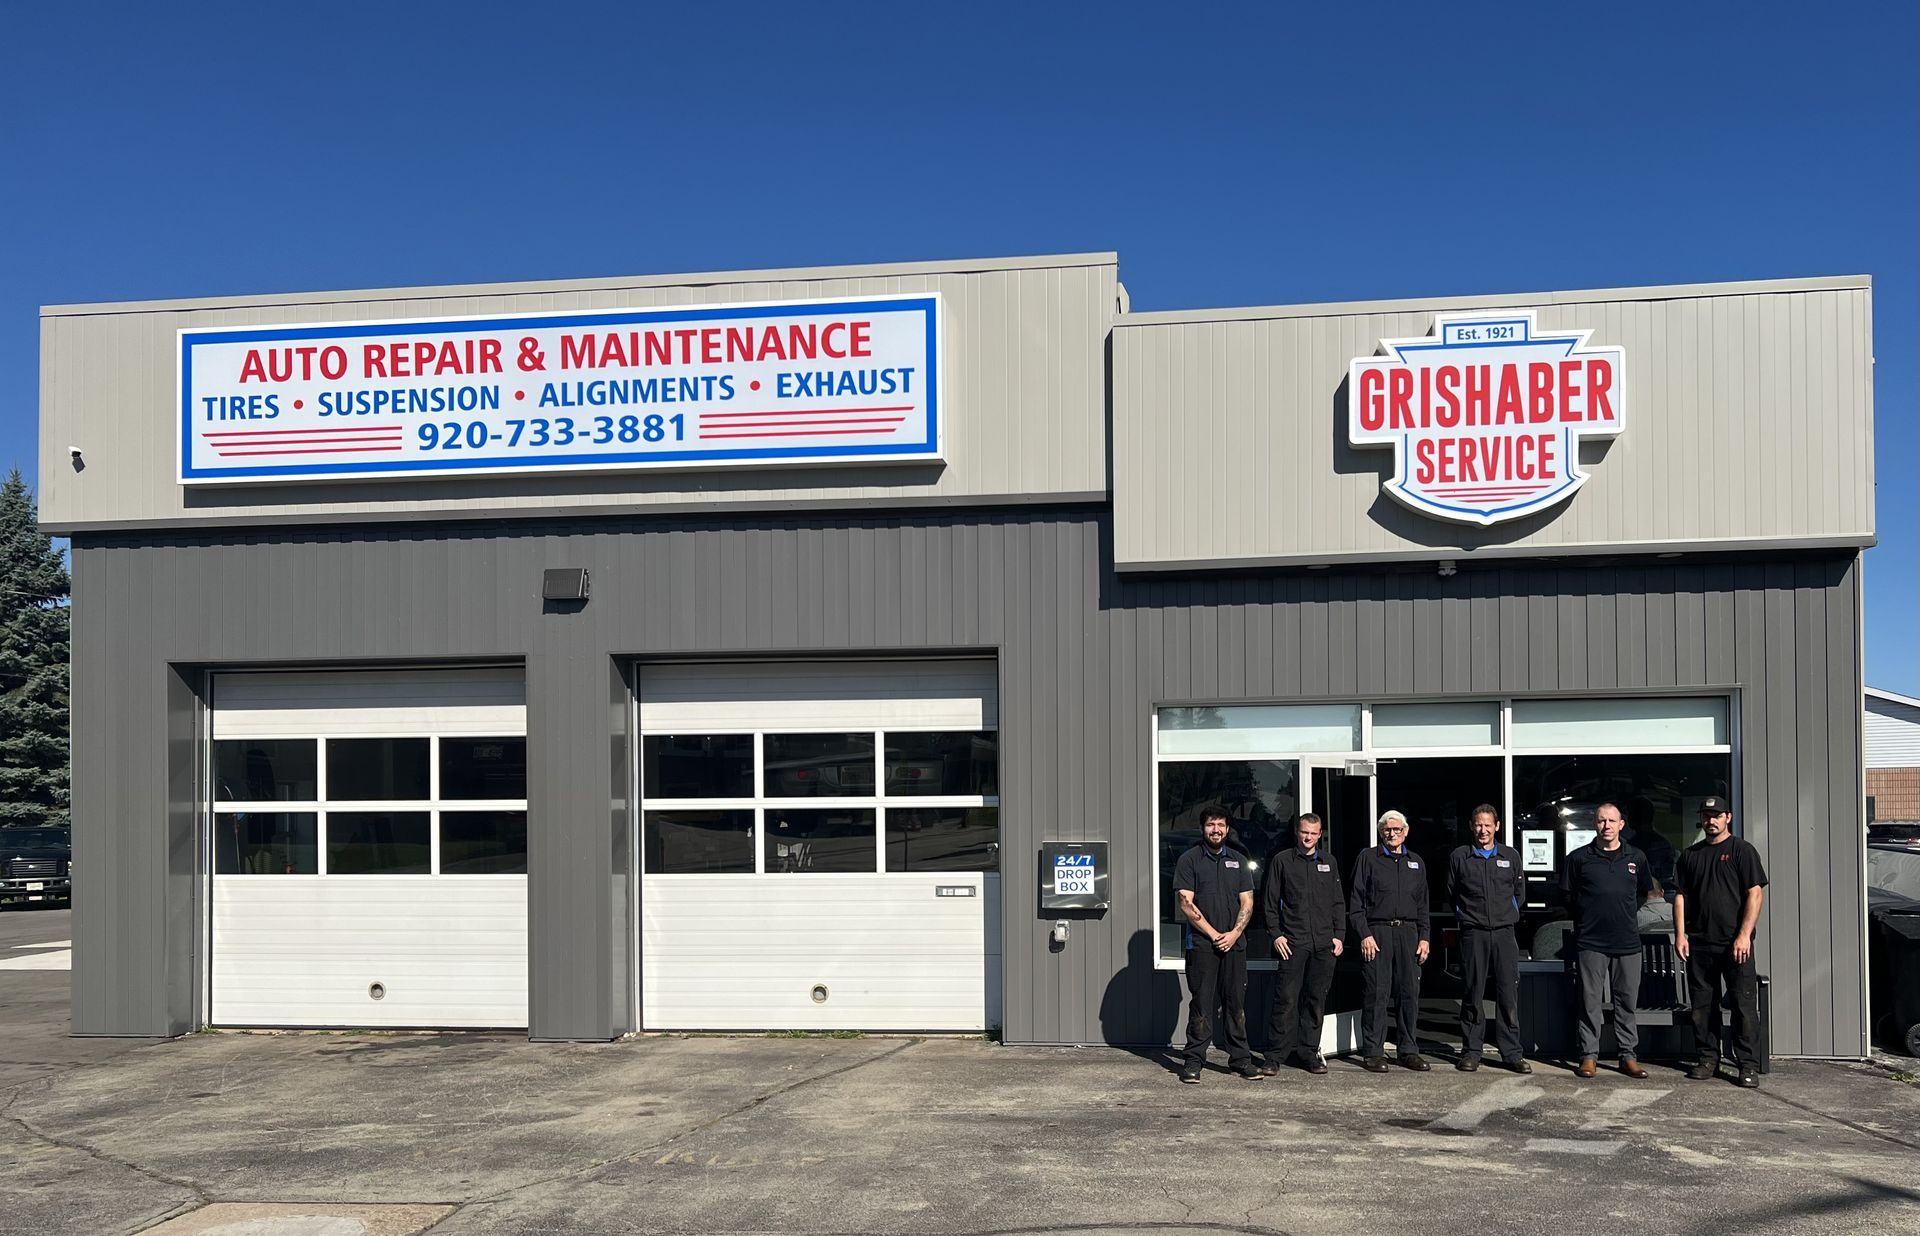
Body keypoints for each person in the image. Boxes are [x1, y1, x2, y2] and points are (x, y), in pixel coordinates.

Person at [1674, 796, 1768, 1087]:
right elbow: (1680, 896)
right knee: (1702, 1007)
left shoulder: (1742, 851)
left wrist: (1743, 935)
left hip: (1735, 945)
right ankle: (1707, 1058)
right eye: (1706, 815)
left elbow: (1755, 893)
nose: (1711, 821)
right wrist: (1680, 935)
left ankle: (1747, 1065)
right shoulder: (1691, 855)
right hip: (1700, 944)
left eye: (1716, 815)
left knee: (1743, 1006)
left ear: (1729, 817)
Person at [1561, 801, 1655, 1079]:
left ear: (1621, 824)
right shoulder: (1579, 858)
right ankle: (1589, 1056)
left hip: (1627, 942)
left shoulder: (1636, 857)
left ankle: (1628, 1056)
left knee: (1626, 1001)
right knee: (1589, 1001)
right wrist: (1588, 916)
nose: (1607, 826)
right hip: (1591, 942)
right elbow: (1567, 896)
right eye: (1602, 821)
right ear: (1594, 824)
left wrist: (1622, 914)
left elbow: (1642, 894)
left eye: (1612, 821)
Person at [1172, 809, 1261, 1083]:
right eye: (1211, 825)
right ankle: (1194, 1060)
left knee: (1236, 1004)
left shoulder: (1238, 860)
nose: (1216, 830)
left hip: (1234, 944)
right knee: (1201, 1004)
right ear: (1203, 828)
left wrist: (1233, 934)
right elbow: (1186, 903)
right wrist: (1214, 934)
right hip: (1202, 945)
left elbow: (1247, 902)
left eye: (1221, 825)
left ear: (1227, 829)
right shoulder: (1189, 860)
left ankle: (1240, 1060)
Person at [1259, 812, 1345, 1075]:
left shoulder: (1328, 862)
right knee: (1285, 999)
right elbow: (1270, 903)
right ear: (1297, 833)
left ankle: (1309, 1053)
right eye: (1304, 832)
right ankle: (1275, 1056)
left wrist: (1339, 935)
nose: (1308, 837)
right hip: (1293, 943)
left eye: (1313, 833)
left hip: (1323, 944)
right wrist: (1276, 934)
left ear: (1320, 835)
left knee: (1315, 1000)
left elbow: (1338, 903)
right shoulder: (1282, 861)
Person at [1447, 804, 1530, 1074]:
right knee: (1473, 993)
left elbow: (1519, 892)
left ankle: (1511, 1053)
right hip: (1474, 933)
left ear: (1497, 827)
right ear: (1471, 826)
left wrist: (1509, 914)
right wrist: (1465, 915)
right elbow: (1452, 893)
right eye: (1478, 825)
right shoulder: (1460, 857)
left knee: (1508, 993)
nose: (1483, 830)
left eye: (1488, 825)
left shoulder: (1510, 856)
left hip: (1505, 933)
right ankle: (1471, 1051)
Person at [1349, 809, 1431, 1073]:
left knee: (1409, 993)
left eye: (1397, 830)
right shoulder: (1368, 858)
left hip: (1409, 933)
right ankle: (1373, 1052)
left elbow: (1423, 905)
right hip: (1378, 933)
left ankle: (1408, 1050)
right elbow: (1356, 903)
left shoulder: (1416, 862)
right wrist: (1364, 934)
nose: (1392, 834)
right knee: (1377, 993)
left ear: (1406, 832)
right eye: (1387, 830)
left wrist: (1425, 937)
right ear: (1380, 832)